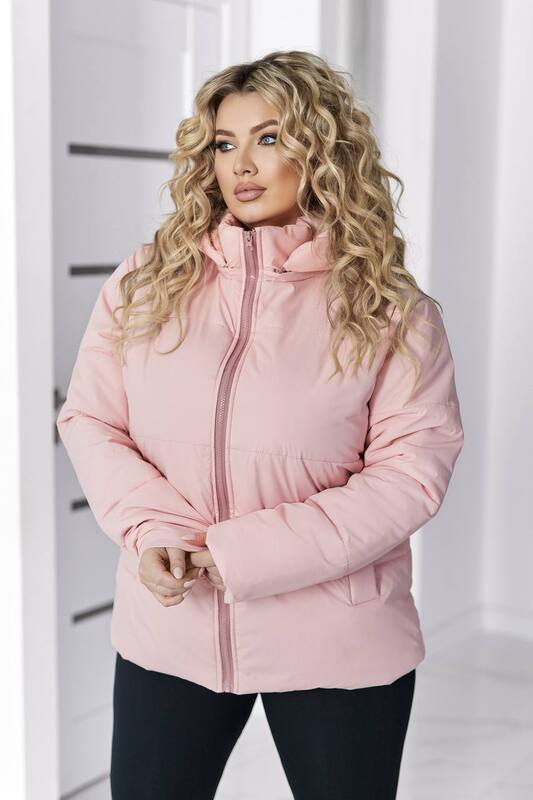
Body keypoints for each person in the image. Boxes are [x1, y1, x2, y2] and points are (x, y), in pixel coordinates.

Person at [56, 50, 464, 799]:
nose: (241, 164)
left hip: (338, 638)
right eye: (224, 143)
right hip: (172, 623)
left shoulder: (391, 312)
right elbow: (91, 417)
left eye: (269, 138)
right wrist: (157, 532)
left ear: (322, 151)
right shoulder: (147, 281)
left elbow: (410, 477)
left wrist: (240, 553)